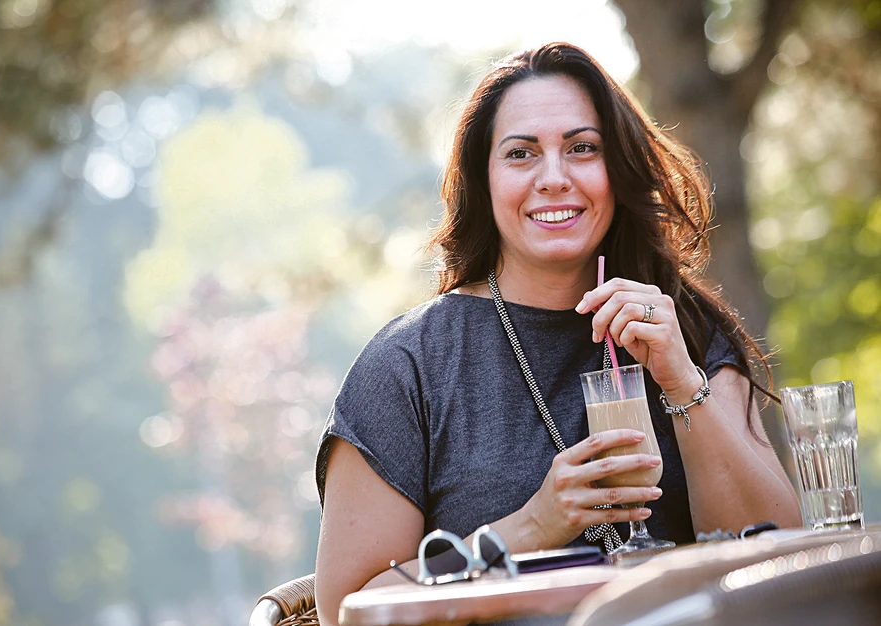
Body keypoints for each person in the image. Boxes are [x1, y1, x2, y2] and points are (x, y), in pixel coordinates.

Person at [313, 42, 801, 624]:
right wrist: (532, 527)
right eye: (521, 154)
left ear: (616, 170)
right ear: (484, 180)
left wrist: (678, 378)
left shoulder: (686, 330)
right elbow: (347, 609)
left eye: (582, 149)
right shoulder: (408, 365)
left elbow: (779, 557)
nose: (554, 178)